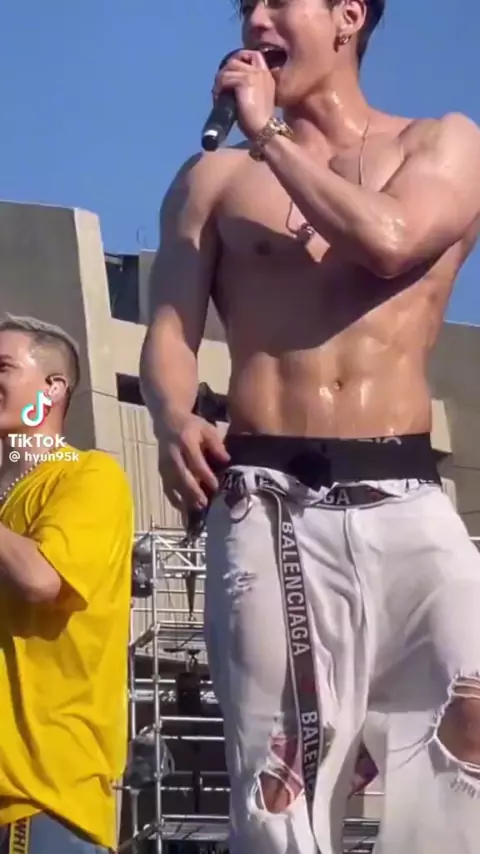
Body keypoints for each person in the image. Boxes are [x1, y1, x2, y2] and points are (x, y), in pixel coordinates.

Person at [139, 0, 480, 851]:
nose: (255, 20)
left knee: (470, 723)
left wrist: (269, 137)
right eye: (245, 7)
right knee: (279, 775)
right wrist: (172, 417)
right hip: (268, 500)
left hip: (406, 494)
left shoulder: (441, 143)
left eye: (276, 1)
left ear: (347, 16)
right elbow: (170, 333)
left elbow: (391, 240)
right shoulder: (211, 180)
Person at [0, 316, 134, 854]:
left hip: (41, 800)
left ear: (53, 389)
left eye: (2, 367)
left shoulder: (89, 477)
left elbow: (41, 579)